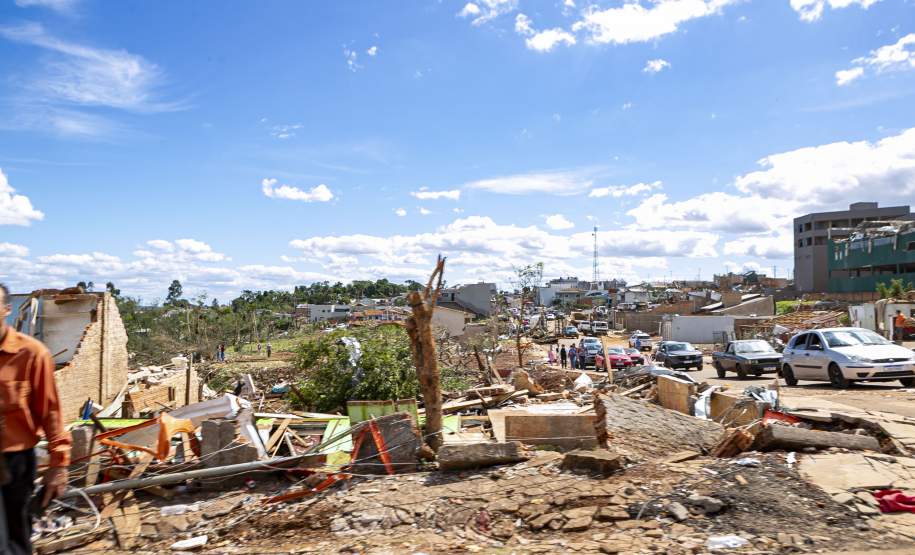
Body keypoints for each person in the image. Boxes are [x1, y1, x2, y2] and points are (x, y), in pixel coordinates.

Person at [0, 283, 71, 554]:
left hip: (15, 463)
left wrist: (58, 465)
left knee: (16, 539)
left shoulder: (31, 354)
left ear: (7, 310)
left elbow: (50, 412)